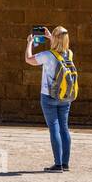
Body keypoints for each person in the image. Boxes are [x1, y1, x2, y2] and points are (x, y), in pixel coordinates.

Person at [25, 25, 77, 172]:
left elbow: (28, 59)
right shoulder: (69, 54)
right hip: (65, 96)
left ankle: (58, 164)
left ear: (55, 39)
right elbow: (59, 47)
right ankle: (65, 163)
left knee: (54, 129)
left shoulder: (47, 55)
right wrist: (50, 36)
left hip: (49, 96)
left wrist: (29, 42)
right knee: (64, 128)